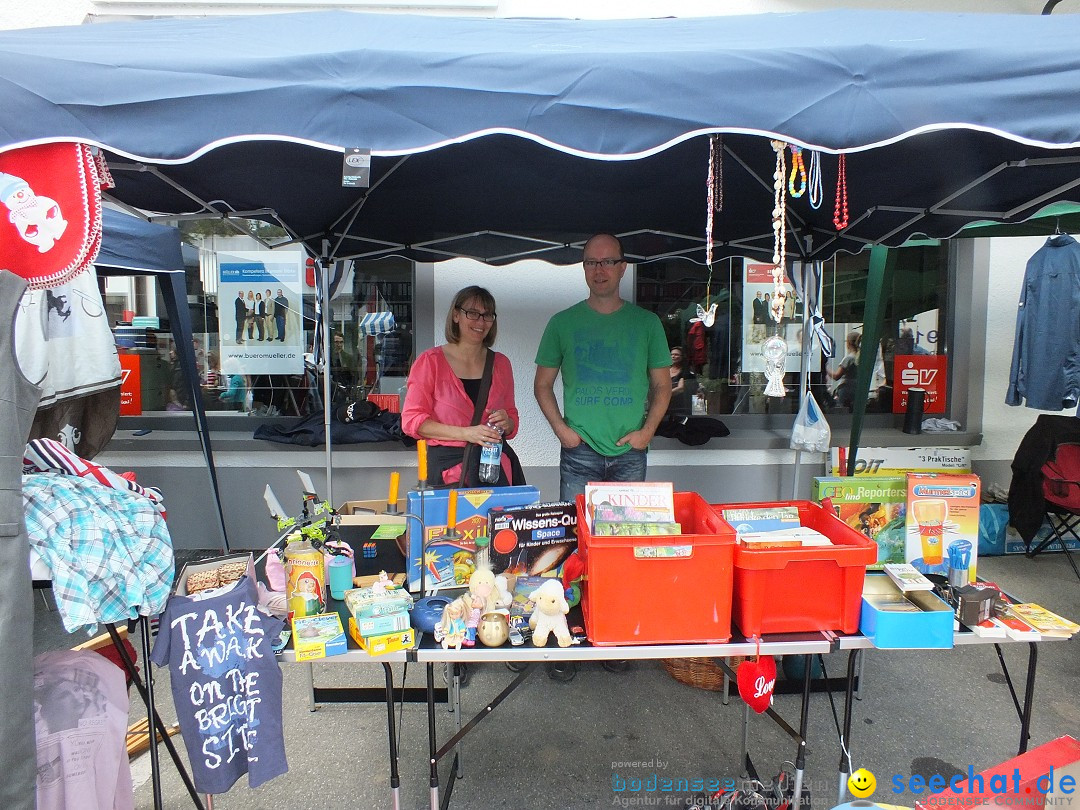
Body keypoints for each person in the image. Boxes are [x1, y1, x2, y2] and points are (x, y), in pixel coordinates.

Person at [534, 233, 671, 503]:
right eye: (591, 263)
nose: (599, 270)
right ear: (583, 268)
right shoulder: (561, 323)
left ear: (623, 268)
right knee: (577, 535)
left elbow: (662, 385)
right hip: (579, 451)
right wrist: (562, 431)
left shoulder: (647, 323)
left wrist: (647, 433)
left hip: (630, 451)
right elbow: (542, 385)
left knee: (624, 537)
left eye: (608, 261)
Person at [401, 286, 521, 487]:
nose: (480, 322)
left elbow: (512, 419)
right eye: (472, 313)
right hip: (449, 474)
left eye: (487, 315)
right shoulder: (430, 362)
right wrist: (467, 433)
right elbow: (412, 422)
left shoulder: (501, 364)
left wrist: (507, 422)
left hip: (493, 469)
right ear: (456, 315)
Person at [828, 330, 862, 411]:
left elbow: (836, 376)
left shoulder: (849, 358)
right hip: (857, 389)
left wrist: (826, 368)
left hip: (846, 390)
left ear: (848, 343)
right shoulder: (861, 357)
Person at [667, 346, 698, 417]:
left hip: (680, 408)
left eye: (676, 354)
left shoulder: (686, 372)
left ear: (682, 357)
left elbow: (681, 388)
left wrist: (664, 395)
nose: (673, 356)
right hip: (666, 406)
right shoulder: (665, 371)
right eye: (671, 354)